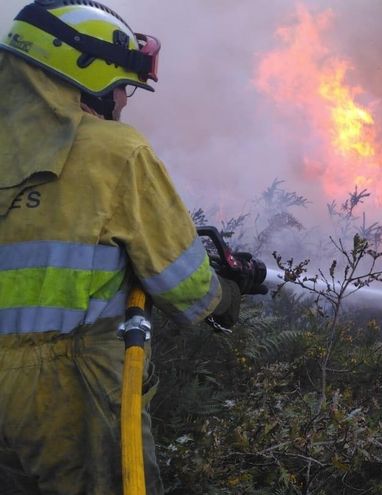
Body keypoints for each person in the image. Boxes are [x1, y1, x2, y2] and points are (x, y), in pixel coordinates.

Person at [0, 1, 242, 493]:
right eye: (122, 86)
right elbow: (186, 286)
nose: (125, 102)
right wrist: (230, 296)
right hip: (73, 391)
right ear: (80, 73)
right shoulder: (116, 151)